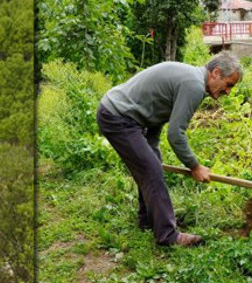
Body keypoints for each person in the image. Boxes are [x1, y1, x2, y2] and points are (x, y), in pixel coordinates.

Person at [96, 52, 242, 247]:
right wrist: (195, 166)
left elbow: (156, 110)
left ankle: (149, 220)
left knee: (151, 165)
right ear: (216, 73)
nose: (228, 91)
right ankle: (168, 236)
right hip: (118, 116)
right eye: (229, 84)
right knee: (151, 170)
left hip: (126, 116)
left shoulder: (191, 78)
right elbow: (175, 135)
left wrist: (152, 149)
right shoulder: (194, 86)